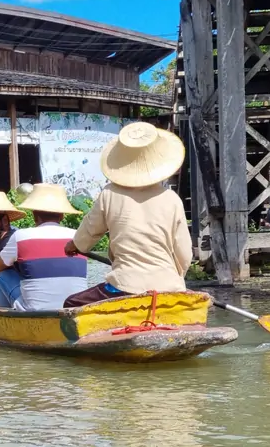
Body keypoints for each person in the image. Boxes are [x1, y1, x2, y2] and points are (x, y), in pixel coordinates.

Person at [63, 121, 193, 308]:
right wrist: (175, 279)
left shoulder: (109, 194)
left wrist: (74, 245)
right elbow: (184, 254)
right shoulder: (172, 199)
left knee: (71, 303)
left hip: (125, 285)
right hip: (169, 287)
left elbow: (89, 232)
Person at [0, 183, 88, 310]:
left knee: (4, 276)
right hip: (75, 308)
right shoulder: (78, 237)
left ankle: (4, 321)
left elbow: (0, 266)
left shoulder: (20, 236)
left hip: (34, 311)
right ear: (62, 216)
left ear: (34, 215)